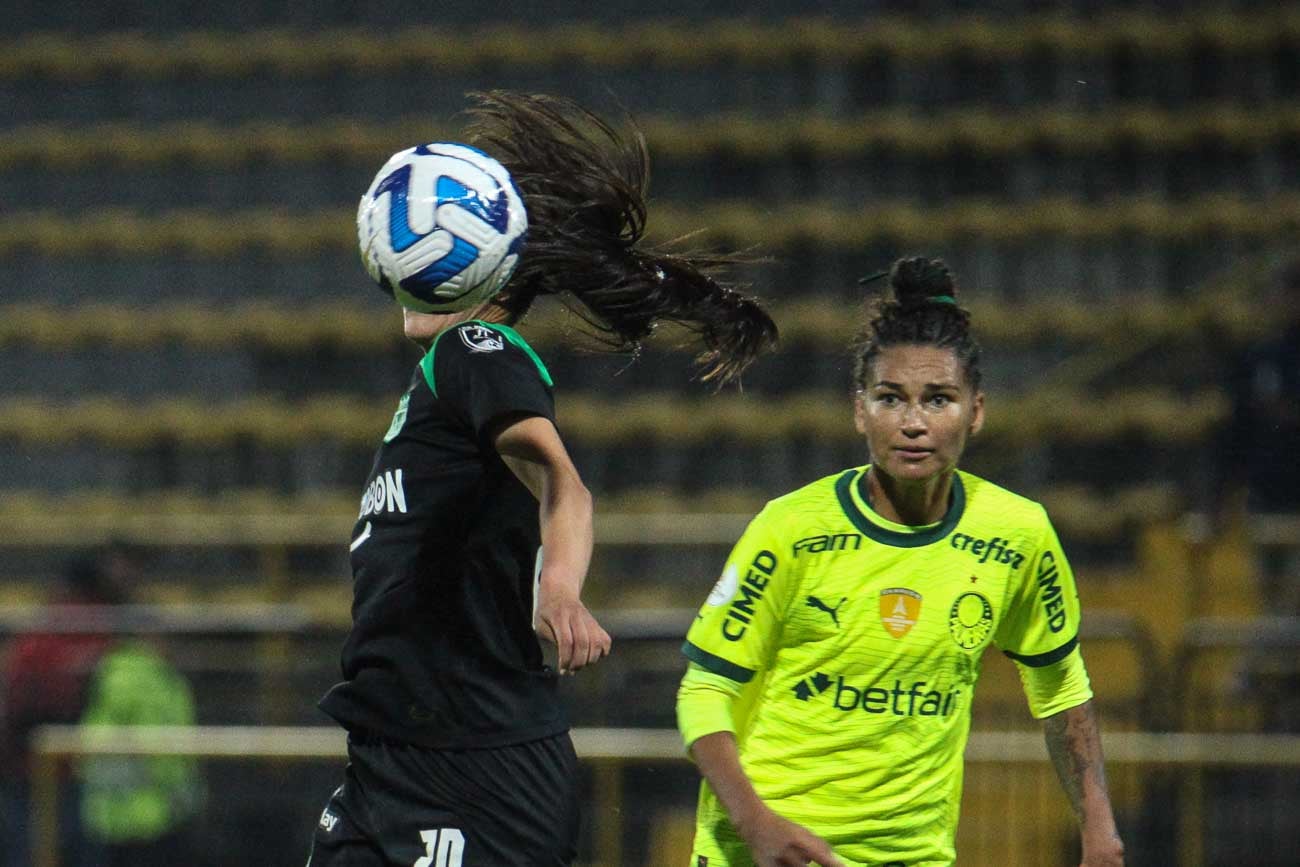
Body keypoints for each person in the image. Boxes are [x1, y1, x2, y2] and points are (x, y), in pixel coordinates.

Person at [306, 91, 778, 867]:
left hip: (477, 777)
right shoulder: (436, 384)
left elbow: (565, 485)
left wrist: (557, 589)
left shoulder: (477, 352)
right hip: (389, 760)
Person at [676, 258, 1124, 867]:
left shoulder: (1018, 534)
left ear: (976, 411)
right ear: (860, 410)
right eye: (891, 399)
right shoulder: (792, 529)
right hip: (765, 851)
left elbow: (1061, 688)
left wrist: (1099, 830)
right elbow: (704, 691)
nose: (913, 423)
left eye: (938, 400)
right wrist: (755, 824)